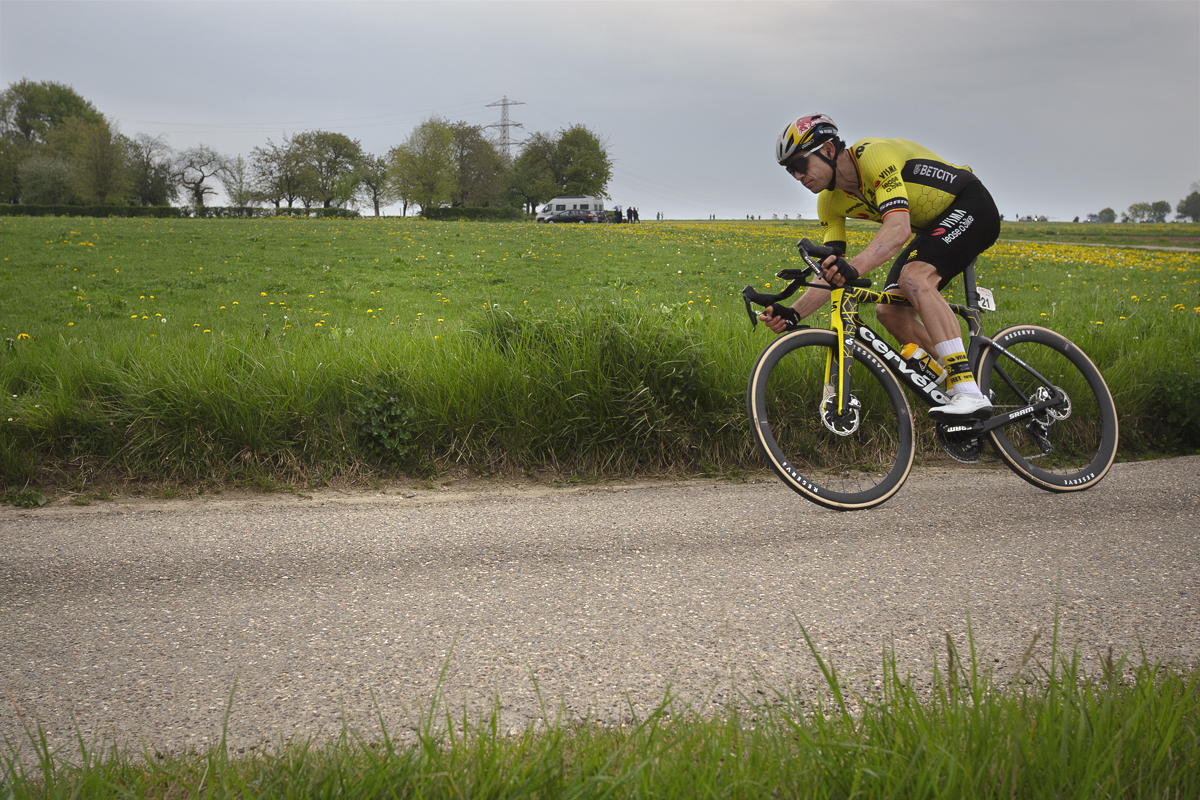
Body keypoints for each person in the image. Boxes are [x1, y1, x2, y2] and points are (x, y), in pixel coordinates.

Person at [760, 113, 1001, 420]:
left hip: (970, 204)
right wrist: (793, 313)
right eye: (790, 170)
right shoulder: (829, 202)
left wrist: (854, 268)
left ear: (829, 150)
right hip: (933, 226)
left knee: (914, 279)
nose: (797, 176)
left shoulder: (873, 155)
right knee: (889, 311)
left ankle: (968, 392)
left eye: (799, 164)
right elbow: (833, 271)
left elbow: (898, 229)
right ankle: (962, 386)